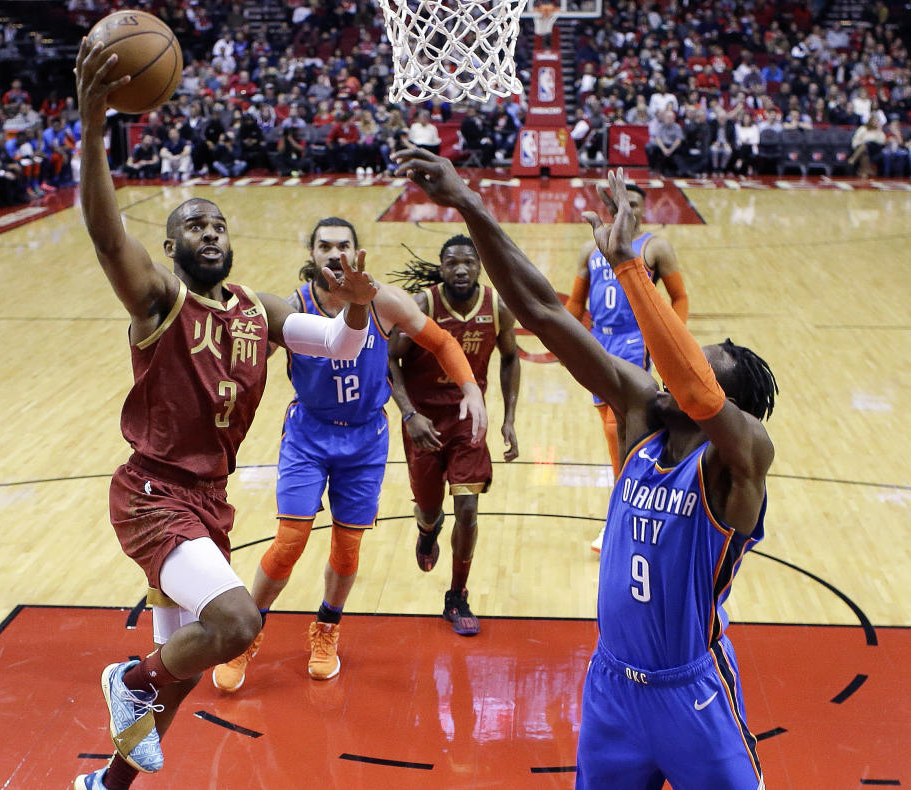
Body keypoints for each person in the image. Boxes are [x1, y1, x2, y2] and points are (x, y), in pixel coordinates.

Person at [391, 146, 777, 790]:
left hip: (692, 695)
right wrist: (470, 204)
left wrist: (628, 266)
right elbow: (541, 309)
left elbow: (699, 391)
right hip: (611, 689)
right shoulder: (639, 419)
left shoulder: (739, 461)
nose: (668, 370)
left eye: (696, 362)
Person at [72, 41, 378, 790]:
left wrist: (362, 308)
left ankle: (105, 784)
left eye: (219, 226)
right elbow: (107, 231)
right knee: (237, 624)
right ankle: (132, 679)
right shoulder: (157, 299)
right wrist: (92, 122)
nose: (212, 233)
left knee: (190, 657)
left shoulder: (257, 310)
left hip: (207, 502)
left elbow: (338, 344)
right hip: (153, 495)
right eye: (196, 228)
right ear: (172, 247)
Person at [211, 217, 488, 691]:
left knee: (347, 545)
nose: (334, 253)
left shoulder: (384, 302)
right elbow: (247, 361)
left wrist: (471, 389)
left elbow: (440, 340)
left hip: (364, 439)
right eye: (324, 246)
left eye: (343, 245)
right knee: (289, 541)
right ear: (312, 253)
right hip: (309, 435)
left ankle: (327, 628)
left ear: (358, 253)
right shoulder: (293, 308)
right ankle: (246, 634)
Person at [387, 235, 520, 635]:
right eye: (451, 262)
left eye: (469, 262)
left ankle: (457, 595)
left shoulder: (496, 307)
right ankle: (428, 530)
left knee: (468, 509)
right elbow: (389, 358)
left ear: (480, 267)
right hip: (424, 421)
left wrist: (509, 418)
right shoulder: (423, 305)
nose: (461, 269)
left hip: (467, 420)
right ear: (441, 267)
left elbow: (511, 358)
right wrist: (409, 414)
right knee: (429, 509)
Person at [564, 182, 687, 552]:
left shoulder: (655, 247)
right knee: (612, 432)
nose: (624, 209)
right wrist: (564, 344)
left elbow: (679, 297)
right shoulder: (591, 248)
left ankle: (620, 518)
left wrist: (672, 343)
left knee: (622, 431)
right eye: (618, 204)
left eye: (631, 204)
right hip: (600, 341)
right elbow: (573, 306)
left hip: (637, 341)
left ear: (641, 211)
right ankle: (630, 511)